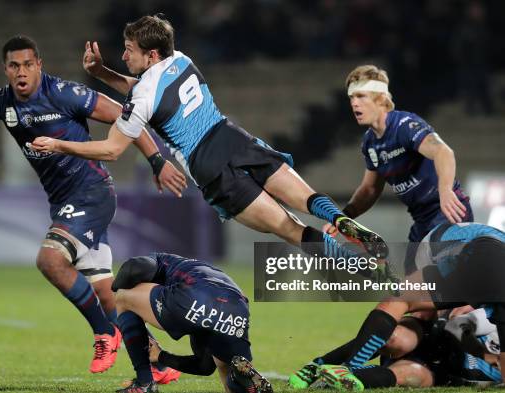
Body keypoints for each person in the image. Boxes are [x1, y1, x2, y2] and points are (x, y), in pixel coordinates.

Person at [29, 15, 389, 262]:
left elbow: (110, 149)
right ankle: (345, 223)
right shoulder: (182, 59)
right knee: (307, 198)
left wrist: (59, 145)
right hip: (233, 138)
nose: (123, 56)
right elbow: (148, 92)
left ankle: (356, 265)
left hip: (209, 166)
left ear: (150, 54)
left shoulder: (142, 97)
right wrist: (102, 73)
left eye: (129, 50)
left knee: (291, 230)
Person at [0, 35, 186, 375]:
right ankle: (159, 363)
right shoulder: (2, 102)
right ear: (6, 70)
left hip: (91, 193)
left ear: (39, 65)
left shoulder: (64, 93)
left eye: (28, 64)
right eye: (14, 66)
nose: (22, 72)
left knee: (51, 260)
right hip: (63, 203)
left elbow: (125, 115)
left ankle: (104, 332)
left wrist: (157, 161)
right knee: (109, 296)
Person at [289, 222, 505, 389]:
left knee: (408, 358)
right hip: (452, 271)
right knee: (400, 338)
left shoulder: (489, 371)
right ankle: (338, 368)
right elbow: (457, 323)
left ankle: (336, 370)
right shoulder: (482, 323)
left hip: (443, 364)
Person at [323, 65, 474, 272]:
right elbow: (369, 190)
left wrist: (446, 190)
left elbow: (443, 152)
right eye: (351, 98)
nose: (354, 103)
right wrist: (343, 218)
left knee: (440, 290)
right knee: (413, 294)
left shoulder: (404, 125)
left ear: (380, 98)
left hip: (447, 214)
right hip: (421, 222)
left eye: (361, 96)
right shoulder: (369, 143)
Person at [111, 253, 274, 393]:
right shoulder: (199, 267)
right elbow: (204, 366)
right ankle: (240, 386)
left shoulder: (161, 261)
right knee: (226, 371)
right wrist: (160, 356)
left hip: (193, 297)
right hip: (236, 307)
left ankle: (144, 384)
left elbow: (135, 268)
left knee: (123, 298)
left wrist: (114, 287)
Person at [307, 309, 502, 391]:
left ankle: (342, 379)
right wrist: (483, 354)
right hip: (433, 338)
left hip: (441, 372)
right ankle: (318, 365)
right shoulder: (498, 316)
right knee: (395, 338)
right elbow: (457, 324)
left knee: (411, 374)